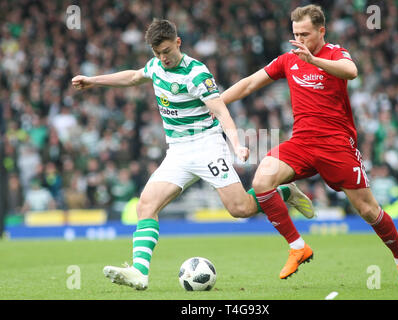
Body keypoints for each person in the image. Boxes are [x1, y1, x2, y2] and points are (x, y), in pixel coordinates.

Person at [72, 19, 314, 290]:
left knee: (240, 209)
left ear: (178, 43)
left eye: (167, 51)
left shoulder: (197, 73)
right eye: (157, 54)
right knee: (146, 206)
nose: (163, 59)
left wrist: (236, 144)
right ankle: (140, 272)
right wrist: (93, 80)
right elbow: (132, 76)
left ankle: (285, 192)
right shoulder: (155, 66)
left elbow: (221, 111)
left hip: (207, 146)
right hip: (177, 151)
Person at [221, 5, 398, 285]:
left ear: (321, 31)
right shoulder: (288, 60)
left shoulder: (334, 53)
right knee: (262, 179)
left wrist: (314, 59)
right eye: (296, 34)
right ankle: (298, 247)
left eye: (305, 34)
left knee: (368, 210)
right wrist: (215, 104)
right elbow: (250, 83)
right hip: (301, 142)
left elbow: (351, 71)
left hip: (336, 145)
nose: (299, 40)